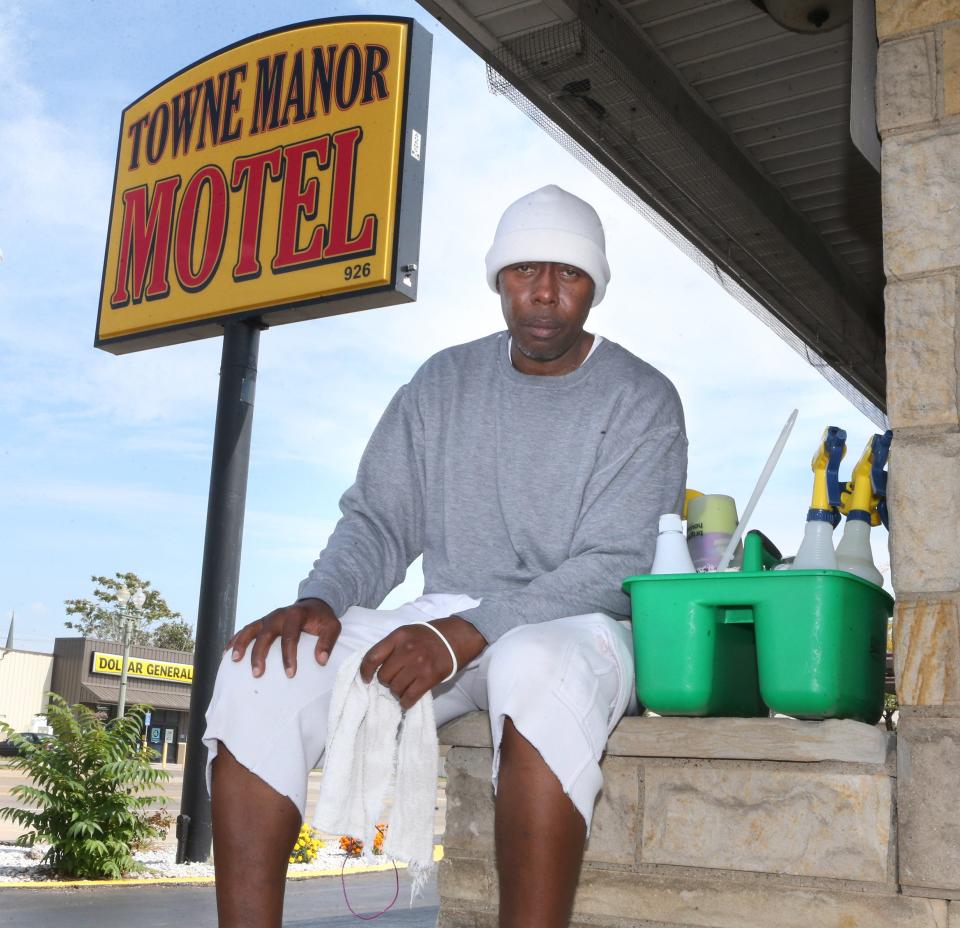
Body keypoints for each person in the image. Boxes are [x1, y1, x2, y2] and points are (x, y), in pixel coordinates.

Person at [204, 184, 687, 928]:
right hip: (451, 614)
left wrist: (462, 635)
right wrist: (321, 599)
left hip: (579, 623)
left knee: (533, 665)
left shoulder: (641, 397)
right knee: (263, 667)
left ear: (596, 286)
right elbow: (380, 522)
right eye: (525, 270)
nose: (546, 294)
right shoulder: (443, 383)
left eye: (569, 274)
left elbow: (617, 562)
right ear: (498, 279)